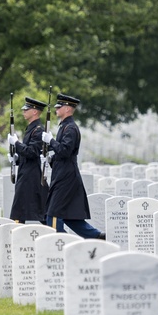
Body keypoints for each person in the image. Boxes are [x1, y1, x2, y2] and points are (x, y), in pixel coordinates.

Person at [41, 93, 104, 239]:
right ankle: (97, 237)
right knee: (71, 217)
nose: (57, 108)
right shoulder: (64, 126)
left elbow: (65, 151)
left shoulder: (70, 128)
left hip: (66, 177)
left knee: (54, 213)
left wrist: (50, 141)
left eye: (60, 106)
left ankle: (61, 242)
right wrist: (49, 158)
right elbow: (61, 155)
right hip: (63, 174)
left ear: (68, 109)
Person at [7, 96, 49, 223]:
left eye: (27, 109)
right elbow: (27, 154)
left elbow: (32, 152)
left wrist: (16, 144)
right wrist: (16, 158)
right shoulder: (31, 129)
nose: (24, 111)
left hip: (31, 176)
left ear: (35, 111)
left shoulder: (38, 130)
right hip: (26, 173)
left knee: (26, 211)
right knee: (23, 210)